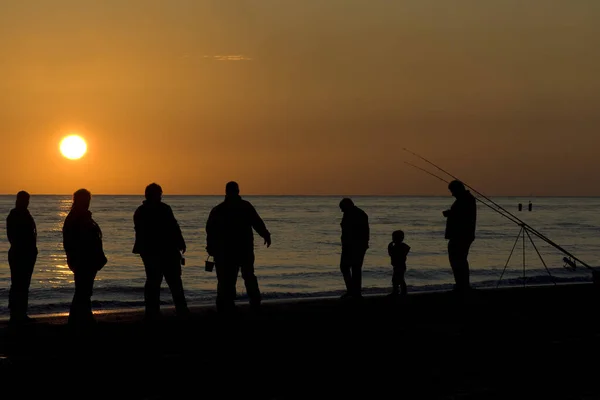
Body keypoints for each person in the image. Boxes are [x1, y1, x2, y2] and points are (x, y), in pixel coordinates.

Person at [205, 181, 271, 314]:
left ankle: (226, 304)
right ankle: (253, 302)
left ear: (226, 192)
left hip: (227, 251)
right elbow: (257, 222)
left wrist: (211, 247)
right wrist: (265, 234)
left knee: (226, 279)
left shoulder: (219, 209)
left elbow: (210, 230)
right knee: (245, 276)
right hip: (242, 249)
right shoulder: (244, 206)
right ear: (238, 191)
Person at [133, 183, 189, 320]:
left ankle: (153, 312)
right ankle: (177, 311)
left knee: (156, 282)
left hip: (154, 252)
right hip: (164, 251)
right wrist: (179, 242)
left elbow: (173, 227)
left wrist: (180, 242)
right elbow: (174, 227)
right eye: (159, 194)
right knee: (170, 282)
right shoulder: (161, 209)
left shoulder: (141, 211)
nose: (160, 196)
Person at [63, 189, 107, 327]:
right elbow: (73, 241)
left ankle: (84, 317)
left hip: (88, 259)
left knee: (85, 290)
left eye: (88, 200)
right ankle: (77, 320)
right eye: (85, 200)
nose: (87, 203)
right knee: (82, 290)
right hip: (83, 260)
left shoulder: (82, 217)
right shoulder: (76, 218)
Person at [6, 191, 38, 323]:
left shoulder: (23, 214)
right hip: (20, 254)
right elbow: (13, 236)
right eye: (25, 200)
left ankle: (20, 313)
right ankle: (16, 314)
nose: (27, 202)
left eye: (28, 200)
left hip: (25, 253)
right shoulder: (16, 214)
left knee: (23, 285)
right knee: (19, 284)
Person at [443, 180, 476, 292]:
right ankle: (462, 284)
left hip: (461, 235)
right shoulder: (466, 199)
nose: (452, 194)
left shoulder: (465, 200)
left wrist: (450, 213)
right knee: (460, 260)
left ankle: (462, 285)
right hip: (463, 235)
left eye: (452, 191)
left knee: (458, 261)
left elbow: (462, 217)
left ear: (458, 189)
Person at [338, 198, 369, 299]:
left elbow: (364, 232)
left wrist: (363, 245)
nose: (341, 211)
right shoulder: (351, 213)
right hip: (350, 246)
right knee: (350, 268)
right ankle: (353, 291)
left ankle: (354, 292)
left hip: (355, 246)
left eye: (342, 208)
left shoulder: (358, 214)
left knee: (352, 268)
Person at [388, 230, 410, 297]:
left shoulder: (398, 247)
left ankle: (400, 292)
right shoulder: (401, 246)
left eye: (394, 237)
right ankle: (398, 291)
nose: (393, 239)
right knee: (397, 279)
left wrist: (389, 247)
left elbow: (391, 254)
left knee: (399, 280)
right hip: (399, 266)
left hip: (399, 266)